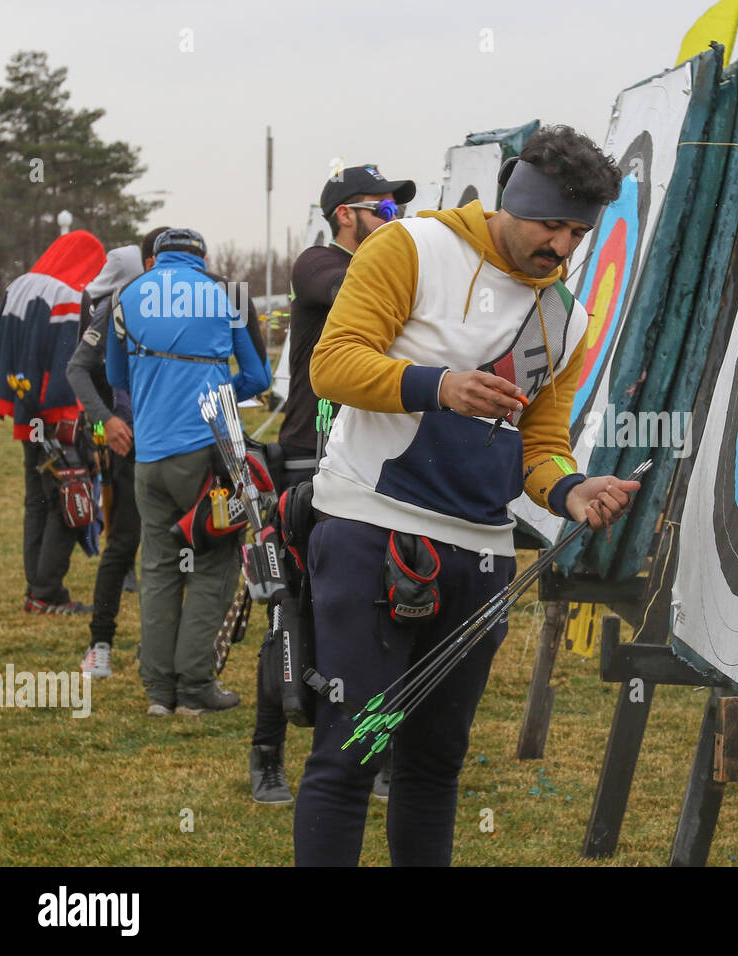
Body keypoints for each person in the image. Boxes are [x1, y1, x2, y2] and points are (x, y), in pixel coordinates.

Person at [293, 125, 639, 866]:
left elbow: (539, 444)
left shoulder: (566, 314)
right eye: (551, 224)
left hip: (480, 555)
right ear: (515, 201)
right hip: (371, 528)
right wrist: (438, 386)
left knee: (435, 764)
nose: (564, 247)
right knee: (351, 754)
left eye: (579, 231)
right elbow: (333, 364)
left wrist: (572, 492)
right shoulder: (410, 249)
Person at [249, 166, 415, 804]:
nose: (393, 221)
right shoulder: (317, 264)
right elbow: (358, 285)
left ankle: (372, 751)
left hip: (373, 462)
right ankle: (267, 755)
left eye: (400, 213)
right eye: (384, 210)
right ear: (346, 213)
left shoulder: (385, 270)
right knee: (294, 615)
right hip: (307, 462)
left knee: (381, 614)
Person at [107, 228, 271, 717]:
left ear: (156, 258)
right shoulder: (226, 293)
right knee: (213, 565)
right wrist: (219, 389)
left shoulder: (126, 295)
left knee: (158, 568)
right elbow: (259, 377)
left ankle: (159, 691)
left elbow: (117, 378)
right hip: (208, 454)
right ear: (202, 258)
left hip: (148, 455)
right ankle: (195, 688)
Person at [0, 230, 107, 614]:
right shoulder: (73, 296)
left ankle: (35, 587)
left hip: (27, 411)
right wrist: (87, 426)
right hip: (60, 417)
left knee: (37, 500)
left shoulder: (18, 285)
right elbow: (78, 364)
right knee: (70, 500)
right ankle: (47, 593)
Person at [68, 229, 165, 677]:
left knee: (175, 551)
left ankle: (160, 650)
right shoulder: (116, 308)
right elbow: (78, 369)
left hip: (179, 446)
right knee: (124, 545)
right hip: (130, 448)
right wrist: (106, 420)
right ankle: (100, 647)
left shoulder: (192, 305)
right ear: (147, 264)